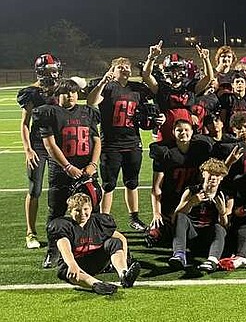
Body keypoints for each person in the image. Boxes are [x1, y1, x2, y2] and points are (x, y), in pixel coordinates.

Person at [36, 79, 102, 268]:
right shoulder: (49, 113)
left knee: (92, 210)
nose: (71, 96)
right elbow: (50, 144)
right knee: (56, 211)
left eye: (73, 92)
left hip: (86, 170)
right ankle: (53, 250)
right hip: (62, 171)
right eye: (66, 93)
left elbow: (96, 141)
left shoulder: (88, 112)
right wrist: (67, 166)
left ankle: (93, 246)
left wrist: (93, 164)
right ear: (58, 96)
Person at [86, 57, 152, 231]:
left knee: (132, 182)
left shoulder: (136, 89)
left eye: (127, 67)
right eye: (120, 67)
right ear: (113, 71)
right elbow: (91, 102)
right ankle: (103, 219)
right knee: (108, 185)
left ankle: (134, 218)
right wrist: (102, 82)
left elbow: (147, 111)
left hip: (133, 142)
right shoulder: (107, 87)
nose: (125, 69)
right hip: (111, 144)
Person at [49, 193, 140, 295]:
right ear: (70, 212)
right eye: (77, 210)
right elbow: (63, 245)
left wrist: (125, 260)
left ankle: (124, 274)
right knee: (66, 271)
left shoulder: (98, 222)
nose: (82, 213)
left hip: (96, 261)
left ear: (91, 209)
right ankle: (96, 284)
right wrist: (72, 264)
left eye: (85, 209)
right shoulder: (64, 226)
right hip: (76, 263)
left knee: (113, 242)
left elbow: (121, 238)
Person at [146, 119, 214, 247]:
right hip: (170, 200)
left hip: (192, 199)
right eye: (179, 130)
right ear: (173, 132)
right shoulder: (165, 152)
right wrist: (156, 213)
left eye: (186, 130)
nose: (183, 133)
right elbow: (156, 188)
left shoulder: (200, 149)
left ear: (192, 132)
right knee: (156, 236)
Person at [19, 53, 61, 249]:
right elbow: (25, 124)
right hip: (38, 145)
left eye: (55, 70)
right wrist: (28, 149)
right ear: (40, 72)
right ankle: (30, 233)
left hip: (58, 145)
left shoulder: (60, 89)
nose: (53, 74)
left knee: (59, 189)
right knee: (34, 189)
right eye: (49, 71)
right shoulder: (31, 93)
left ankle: (59, 229)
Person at [141, 41, 215, 141]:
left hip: (186, 132)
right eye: (172, 70)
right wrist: (151, 57)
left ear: (184, 70)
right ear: (166, 71)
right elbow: (146, 75)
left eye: (178, 69)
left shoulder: (189, 87)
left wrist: (206, 59)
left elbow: (208, 77)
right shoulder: (161, 87)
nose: (175, 73)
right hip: (166, 131)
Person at [169, 158, 232, 272]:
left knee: (219, 227)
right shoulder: (191, 191)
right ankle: (179, 255)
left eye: (217, 175)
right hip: (192, 235)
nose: (213, 178)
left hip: (210, 238)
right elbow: (175, 218)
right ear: (203, 173)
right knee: (181, 216)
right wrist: (191, 203)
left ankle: (212, 260)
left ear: (222, 177)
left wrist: (222, 212)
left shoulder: (225, 195)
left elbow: (225, 226)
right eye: (211, 174)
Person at [219, 70, 246, 135]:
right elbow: (222, 120)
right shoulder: (227, 99)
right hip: (231, 135)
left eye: (242, 82)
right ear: (232, 85)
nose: (239, 84)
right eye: (237, 82)